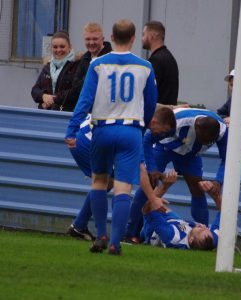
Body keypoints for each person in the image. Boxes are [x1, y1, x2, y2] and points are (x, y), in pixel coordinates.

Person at [65, 19, 161, 255]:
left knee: (98, 181)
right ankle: (116, 242)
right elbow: (150, 103)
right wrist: (142, 127)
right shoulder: (145, 67)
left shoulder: (97, 64)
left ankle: (101, 234)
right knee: (123, 188)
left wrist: (72, 129)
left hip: (102, 128)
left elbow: (84, 101)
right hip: (130, 130)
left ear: (111, 36)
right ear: (133, 38)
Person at [66, 107, 176, 242]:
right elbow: (140, 168)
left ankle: (80, 226)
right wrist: (153, 199)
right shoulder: (136, 128)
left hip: (85, 134)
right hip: (87, 141)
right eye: (162, 132)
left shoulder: (140, 113)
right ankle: (115, 237)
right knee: (120, 184)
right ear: (154, 122)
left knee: (108, 183)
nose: (161, 136)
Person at [126, 107, 227, 242]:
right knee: (149, 183)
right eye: (203, 140)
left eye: (210, 142)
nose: (206, 144)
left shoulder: (222, 131)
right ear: (196, 127)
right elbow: (147, 140)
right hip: (165, 147)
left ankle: (203, 236)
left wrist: (218, 181)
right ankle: (130, 234)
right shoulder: (178, 122)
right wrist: (152, 168)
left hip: (191, 154)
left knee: (198, 188)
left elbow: (227, 158)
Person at [141, 170, 220, 251]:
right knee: (160, 205)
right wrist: (215, 196)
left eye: (200, 229)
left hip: (154, 229)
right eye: (206, 228)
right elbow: (224, 214)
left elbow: (146, 209)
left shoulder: (172, 235)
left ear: (191, 240)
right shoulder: (211, 239)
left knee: (154, 201)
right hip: (176, 222)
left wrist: (165, 186)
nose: (202, 225)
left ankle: (133, 234)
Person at [66, 22, 112, 109]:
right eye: (88, 39)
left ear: (102, 39)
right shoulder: (84, 59)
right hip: (86, 111)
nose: (91, 42)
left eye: (95, 39)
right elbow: (76, 87)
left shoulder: (111, 59)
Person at [31, 31, 79, 111]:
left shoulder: (76, 65)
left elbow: (75, 92)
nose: (58, 50)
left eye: (62, 46)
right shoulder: (47, 66)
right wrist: (43, 96)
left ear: (70, 47)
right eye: (55, 47)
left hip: (67, 115)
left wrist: (53, 99)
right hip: (46, 114)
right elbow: (35, 90)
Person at [142, 20, 179, 105]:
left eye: (144, 34)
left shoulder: (156, 61)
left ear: (152, 36)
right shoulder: (169, 57)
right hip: (167, 113)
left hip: (158, 114)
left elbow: (149, 91)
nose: (142, 38)